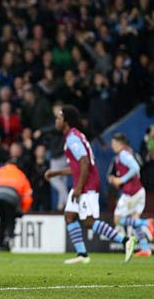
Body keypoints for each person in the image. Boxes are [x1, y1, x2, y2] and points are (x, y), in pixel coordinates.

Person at [44, 105, 136, 264]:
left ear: (66, 121)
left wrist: (79, 187)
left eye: (59, 118)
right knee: (70, 216)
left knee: (88, 221)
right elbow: (77, 166)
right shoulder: (72, 136)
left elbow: (85, 162)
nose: (56, 121)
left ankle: (126, 240)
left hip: (87, 184)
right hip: (81, 182)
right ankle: (82, 254)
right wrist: (56, 173)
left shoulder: (73, 138)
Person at [109, 133, 154, 257]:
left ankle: (146, 223)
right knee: (134, 221)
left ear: (119, 143)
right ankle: (146, 248)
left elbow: (135, 168)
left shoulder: (123, 154)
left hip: (131, 193)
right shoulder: (126, 153)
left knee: (117, 220)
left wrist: (120, 180)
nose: (112, 146)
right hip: (139, 191)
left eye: (113, 143)